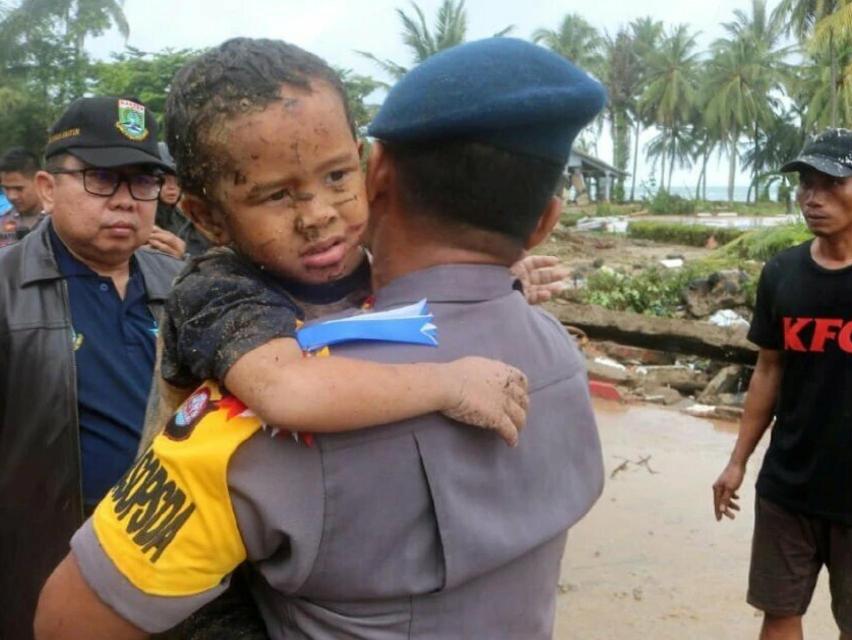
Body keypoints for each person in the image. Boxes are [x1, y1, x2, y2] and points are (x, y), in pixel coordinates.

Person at [36, 37, 605, 639]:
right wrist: (448, 380)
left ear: (371, 169)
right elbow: (285, 387)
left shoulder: (336, 267)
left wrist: (506, 275)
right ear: (206, 218)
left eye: (337, 176)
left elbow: (67, 623)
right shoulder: (218, 293)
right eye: (276, 195)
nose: (316, 215)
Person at [0, 96, 183, 640]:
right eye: (103, 178)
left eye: (144, 181)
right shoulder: (7, 293)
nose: (126, 202)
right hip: (52, 571)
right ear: (49, 187)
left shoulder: (183, 285)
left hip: (178, 567)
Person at [713, 128, 852, 640]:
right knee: (779, 612)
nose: (813, 198)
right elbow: (769, 369)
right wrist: (737, 461)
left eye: (831, 183)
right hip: (788, 484)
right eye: (805, 184)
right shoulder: (782, 274)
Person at [0, 147, 46, 246]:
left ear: (39, 181)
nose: (11, 196)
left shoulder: (59, 220)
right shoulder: (3, 223)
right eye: (6, 188)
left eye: (18, 189)